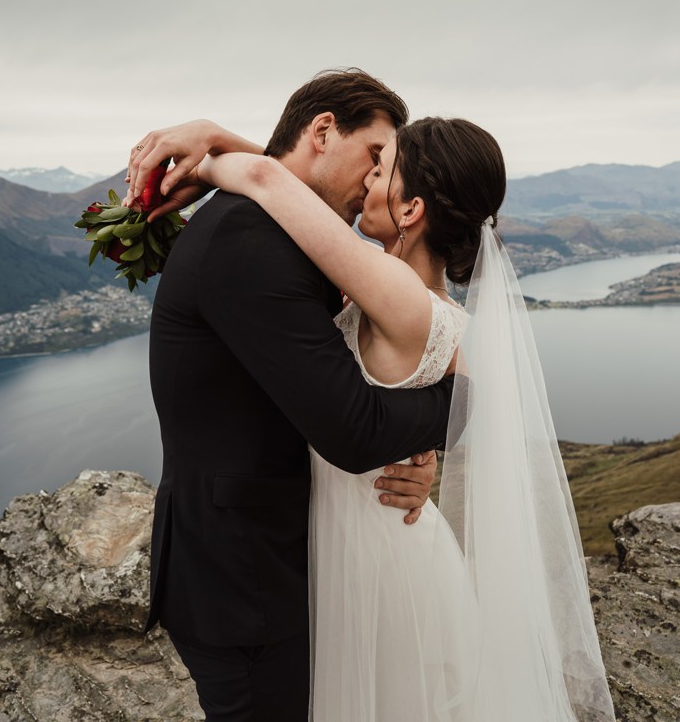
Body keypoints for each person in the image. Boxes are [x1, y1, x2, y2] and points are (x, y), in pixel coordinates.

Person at [150, 111, 616, 720]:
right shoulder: (386, 284)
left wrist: (208, 148)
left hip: (375, 558)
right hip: (360, 536)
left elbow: (270, 179)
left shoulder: (394, 292)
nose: (366, 181)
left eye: (381, 169)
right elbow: (303, 190)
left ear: (411, 209)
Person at [131, 69, 457, 722]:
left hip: (264, 563)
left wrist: (224, 143)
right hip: (242, 581)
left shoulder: (269, 224)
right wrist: (455, 402)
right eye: (372, 157)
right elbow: (354, 429)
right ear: (322, 130)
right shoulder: (247, 239)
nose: (372, 180)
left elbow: (287, 182)